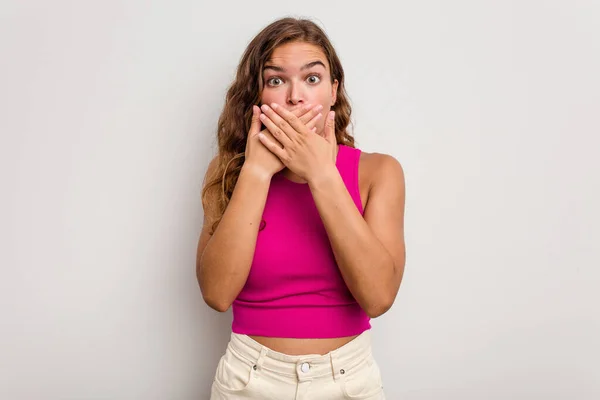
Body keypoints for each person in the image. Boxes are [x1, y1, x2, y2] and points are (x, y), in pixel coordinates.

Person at [196, 16, 406, 400]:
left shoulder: (379, 172)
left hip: (349, 381)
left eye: (312, 79)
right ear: (257, 95)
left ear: (333, 91)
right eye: (276, 80)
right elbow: (216, 293)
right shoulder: (229, 173)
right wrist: (257, 172)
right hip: (248, 380)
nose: (296, 96)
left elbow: (378, 298)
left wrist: (322, 175)